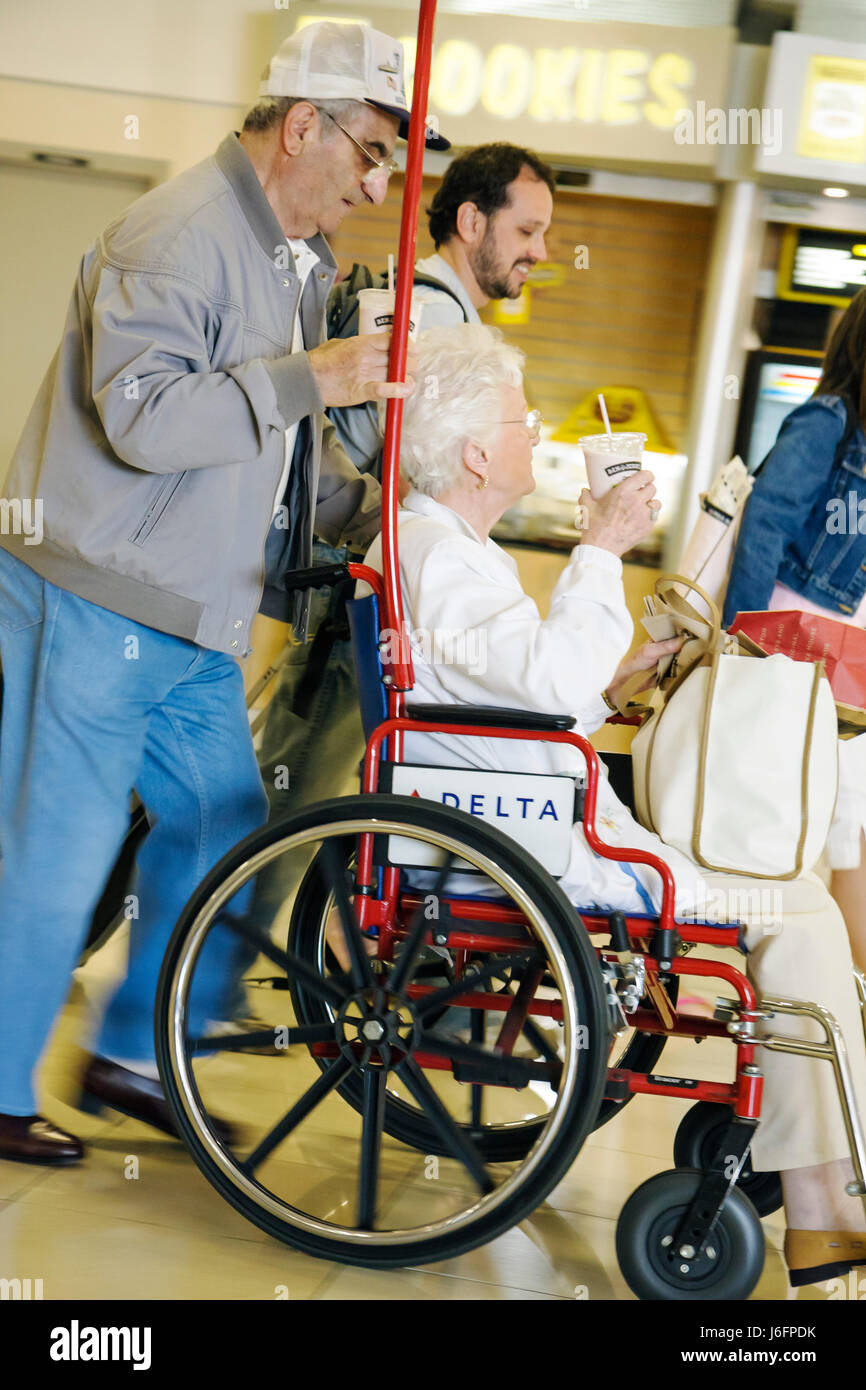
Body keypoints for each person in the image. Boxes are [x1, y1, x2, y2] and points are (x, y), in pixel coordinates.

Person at [0, 19, 449, 1166]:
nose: (375, 180)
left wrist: (389, 524)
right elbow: (146, 419)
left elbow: (279, 454)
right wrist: (312, 375)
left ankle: (136, 1054)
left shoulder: (286, 263)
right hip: (96, 596)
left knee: (225, 829)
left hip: (188, 620)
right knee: (58, 848)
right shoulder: (178, 234)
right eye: (367, 152)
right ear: (302, 125)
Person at [361, 322, 866, 1288]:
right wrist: (599, 548)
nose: (537, 426)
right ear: (476, 453)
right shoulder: (441, 555)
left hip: (528, 803)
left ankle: (822, 1183)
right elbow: (543, 693)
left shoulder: (448, 546)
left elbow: (524, 699)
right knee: (796, 911)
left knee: (798, 903)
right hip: (535, 834)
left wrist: (629, 667)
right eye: (519, 418)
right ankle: (824, 1200)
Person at [255, 144, 556, 918]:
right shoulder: (426, 318)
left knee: (310, 783)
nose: (541, 253)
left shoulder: (438, 313)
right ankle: (205, 978)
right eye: (527, 231)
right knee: (296, 790)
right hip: (360, 593)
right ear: (469, 220)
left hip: (370, 583)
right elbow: (391, 463)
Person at [724, 289, 866, 976]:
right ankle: (815, 978)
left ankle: (839, 982)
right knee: (830, 821)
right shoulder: (830, 420)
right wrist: (739, 642)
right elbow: (765, 523)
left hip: (847, 655)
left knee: (847, 824)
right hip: (799, 640)